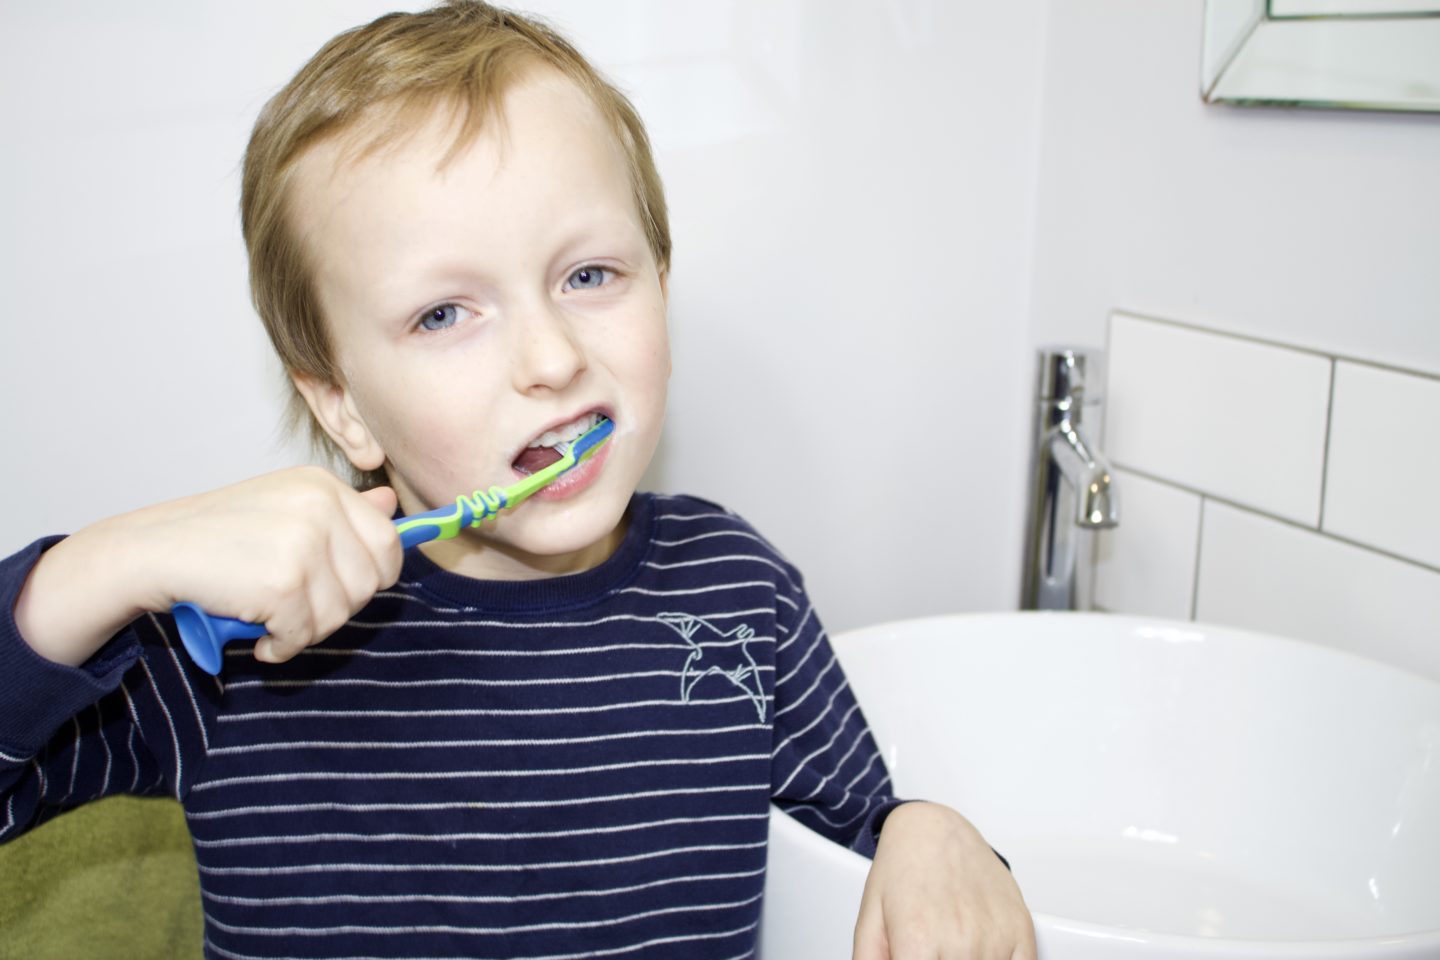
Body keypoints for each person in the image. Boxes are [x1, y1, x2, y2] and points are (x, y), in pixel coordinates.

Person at [0, 2, 1035, 957]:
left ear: (660, 289)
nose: (550, 355)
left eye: (590, 276)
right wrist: (109, 565)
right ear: (342, 404)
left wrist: (928, 830)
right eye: (445, 313)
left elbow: (859, 842)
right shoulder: (242, 641)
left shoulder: (739, 591)